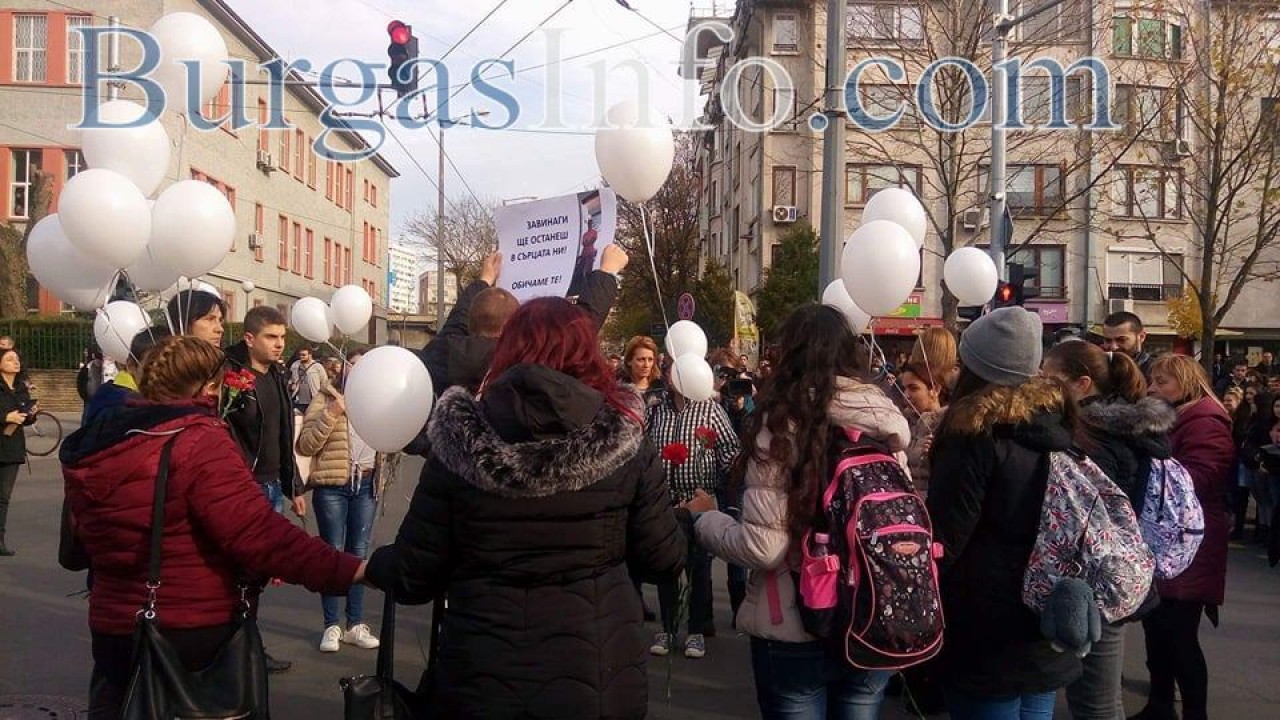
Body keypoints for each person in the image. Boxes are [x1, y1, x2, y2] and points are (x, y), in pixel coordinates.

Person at [366, 297, 687, 718]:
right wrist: (682, 520)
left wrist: (372, 566)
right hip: (598, 680)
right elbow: (663, 560)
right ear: (586, 351)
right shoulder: (626, 441)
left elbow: (413, 575)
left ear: (508, 348)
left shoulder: (457, 443)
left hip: (481, 676)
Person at [59, 335, 367, 719]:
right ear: (210, 387)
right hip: (190, 629)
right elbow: (259, 533)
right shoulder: (198, 440)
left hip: (113, 625)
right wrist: (351, 569)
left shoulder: (100, 439)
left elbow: (77, 546)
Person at [694, 304, 909, 719]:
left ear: (789, 354)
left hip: (794, 623)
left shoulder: (778, 426)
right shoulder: (885, 421)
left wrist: (707, 519)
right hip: (872, 617)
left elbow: (764, 548)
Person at [927, 307, 1082, 719]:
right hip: (1043, 606)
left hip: (984, 621)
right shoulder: (1057, 426)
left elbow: (946, 537)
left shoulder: (972, 434)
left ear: (975, 368)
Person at [1042, 341, 1175, 720]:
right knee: (1096, 696)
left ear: (1082, 384)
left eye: (1050, 378)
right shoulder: (1125, 429)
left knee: (1095, 701)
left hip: (1093, 577)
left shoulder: (1089, 437)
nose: (1042, 385)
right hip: (1120, 573)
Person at [1135, 355, 1235, 720]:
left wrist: (1152, 466)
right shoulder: (1175, 418)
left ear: (1186, 382)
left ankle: (1195, 712)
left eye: (1162, 382)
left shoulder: (1206, 421)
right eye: (1152, 380)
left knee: (1179, 637)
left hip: (1190, 541)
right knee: (1157, 632)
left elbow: (1201, 477)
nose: (1152, 388)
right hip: (1167, 537)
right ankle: (1160, 704)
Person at [420, 248, 626, 397]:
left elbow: (456, 321)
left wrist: (484, 280)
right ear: (514, 324)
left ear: (470, 321)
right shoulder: (524, 360)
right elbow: (575, 330)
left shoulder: (440, 352)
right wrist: (606, 272)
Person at [223, 306, 304, 674]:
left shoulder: (278, 375)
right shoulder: (231, 377)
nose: (279, 345)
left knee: (257, 577)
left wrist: (294, 486)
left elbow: (284, 435)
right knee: (239, 574)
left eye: (283, 338)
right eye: (272, 337)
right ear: (250, 338)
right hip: (246, 486)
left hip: (272, 484)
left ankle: (247, 646)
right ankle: (238, 650)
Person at [646, 365, 741, 660]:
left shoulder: (710, 410)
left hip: (700, 501)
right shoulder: (656, 411)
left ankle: (696, 631)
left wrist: (732, 486)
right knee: (667, 567)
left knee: (698, 568)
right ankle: (669, 627)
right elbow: (645, 450)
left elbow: (729, 452)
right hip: (667, 503)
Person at [296, 348, 382, 654]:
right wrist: (332, 413)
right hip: (332, 486)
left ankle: (354, 624)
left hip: (367, 484)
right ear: (343, 370)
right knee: (331, 553)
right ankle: (331, 625)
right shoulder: (325, 397)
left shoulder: (378, 401)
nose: (359, 373)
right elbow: (305, 445)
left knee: (359, 553)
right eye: (354, 367)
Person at [84, 328, 172, 426]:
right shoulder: (115, 412)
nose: (166, 372)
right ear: (132, 366)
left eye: (175, 364)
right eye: (154, 364)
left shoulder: (182, 409)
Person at [1, 348, 39, 556]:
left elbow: (24, 417)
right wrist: (5, 418)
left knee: (3, 498)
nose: (15, 362)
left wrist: (31, 415)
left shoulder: (20, 388)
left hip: (12, 448)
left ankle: (0, 540)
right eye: (9, 359)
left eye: (16, 358)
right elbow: (6, 416)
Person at [899, 362, 944, 497]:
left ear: (935, 389)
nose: (906, 395)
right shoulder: (900, 422)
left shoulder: (947, 425)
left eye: (913, 388)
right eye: (904, 388)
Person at [1240, 392, 1276, 545]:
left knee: (1269, 501)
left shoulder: (1264, 423)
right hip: (1253, 464)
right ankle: (1263, 529)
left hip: (1266, 466)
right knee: (1262, 500)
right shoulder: (1254, 420)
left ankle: (1268, 531)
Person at [1101, 311, 1154, 379]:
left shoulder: (1154, 371)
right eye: (1108, 340)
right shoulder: (1098, 370)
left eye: (1121, 340)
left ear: (1141, 337)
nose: (1113, 347)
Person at [621, 335, 666, 409]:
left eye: (650, 359)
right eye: (641, 359)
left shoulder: (662, 391)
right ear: (629, 361)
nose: (646, 365)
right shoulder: (618, 392)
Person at [290, 347, 328, 416]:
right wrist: (292, 384)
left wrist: (322, 397)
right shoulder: (295, 365)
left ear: (310, 355)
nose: (301, 357)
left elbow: (324, 382)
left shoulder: (317, 366)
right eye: (300, 355)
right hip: (298, 400)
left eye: (304, 355)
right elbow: (290, 378)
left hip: (313, 399)